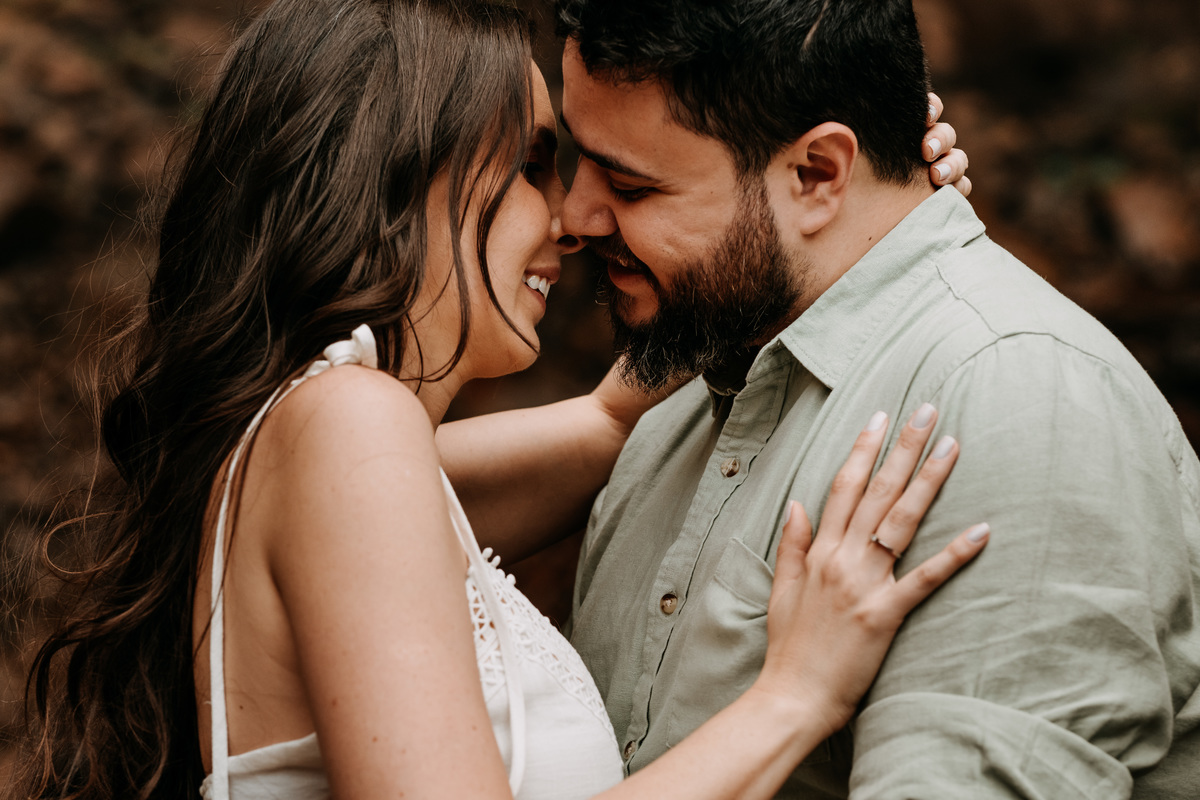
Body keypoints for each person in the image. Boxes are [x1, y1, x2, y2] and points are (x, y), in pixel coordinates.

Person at [12, 2, 987, 799]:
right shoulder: (350, 422)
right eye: (531, 163)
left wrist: (842, 205)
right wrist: (796, 696)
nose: (571, 218)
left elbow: (609, 422)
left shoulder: (327, 446)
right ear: (394, 173)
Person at [549, 1, 1200, 798]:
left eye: (629, 185)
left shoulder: (1016, 398)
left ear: (818, 174)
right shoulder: (678, 398)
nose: (574, 217)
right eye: (578, 162)